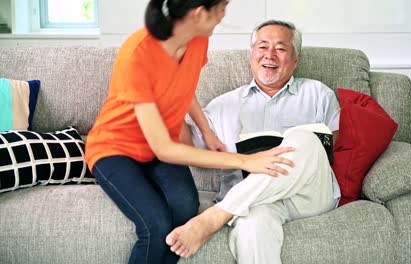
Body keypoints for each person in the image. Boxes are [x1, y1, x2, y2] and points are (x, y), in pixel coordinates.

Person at [84, 2, 296, 263]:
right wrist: (246, 160)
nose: (223, 15)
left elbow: (183, 86)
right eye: (221, 8)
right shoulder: (137, 55)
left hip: (159, 148)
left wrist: (207, 131)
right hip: (114, 149)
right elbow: (165, 149)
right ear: (199, 13)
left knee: (184, 210)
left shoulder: (197, 40)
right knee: (155, 225)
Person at [165, 20, 342, 263]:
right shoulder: (222, 106)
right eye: (262, 47)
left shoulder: (318, 94)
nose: (270, 55)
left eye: (281, 48)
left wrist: (297, 148)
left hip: (306, 196)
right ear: (252, 54)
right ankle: (233, 208)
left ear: (295, 59)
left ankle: (215, 217)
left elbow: (334, 146)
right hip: (252, 201)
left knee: (305, 139)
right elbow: (186, 143)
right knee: (253, 224)